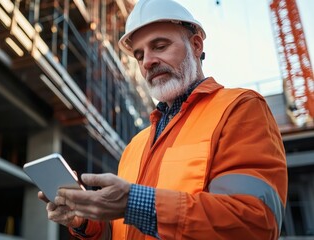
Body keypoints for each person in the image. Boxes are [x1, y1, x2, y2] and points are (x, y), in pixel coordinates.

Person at [38, 0, 288, 239]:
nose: (147, 62)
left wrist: (136, 203)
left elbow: (254, 224)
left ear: (196, 45)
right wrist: (83, 221)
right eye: (139, 55)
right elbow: (122, 233)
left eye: (159, 46)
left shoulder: (239, 109)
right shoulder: (136, 145)